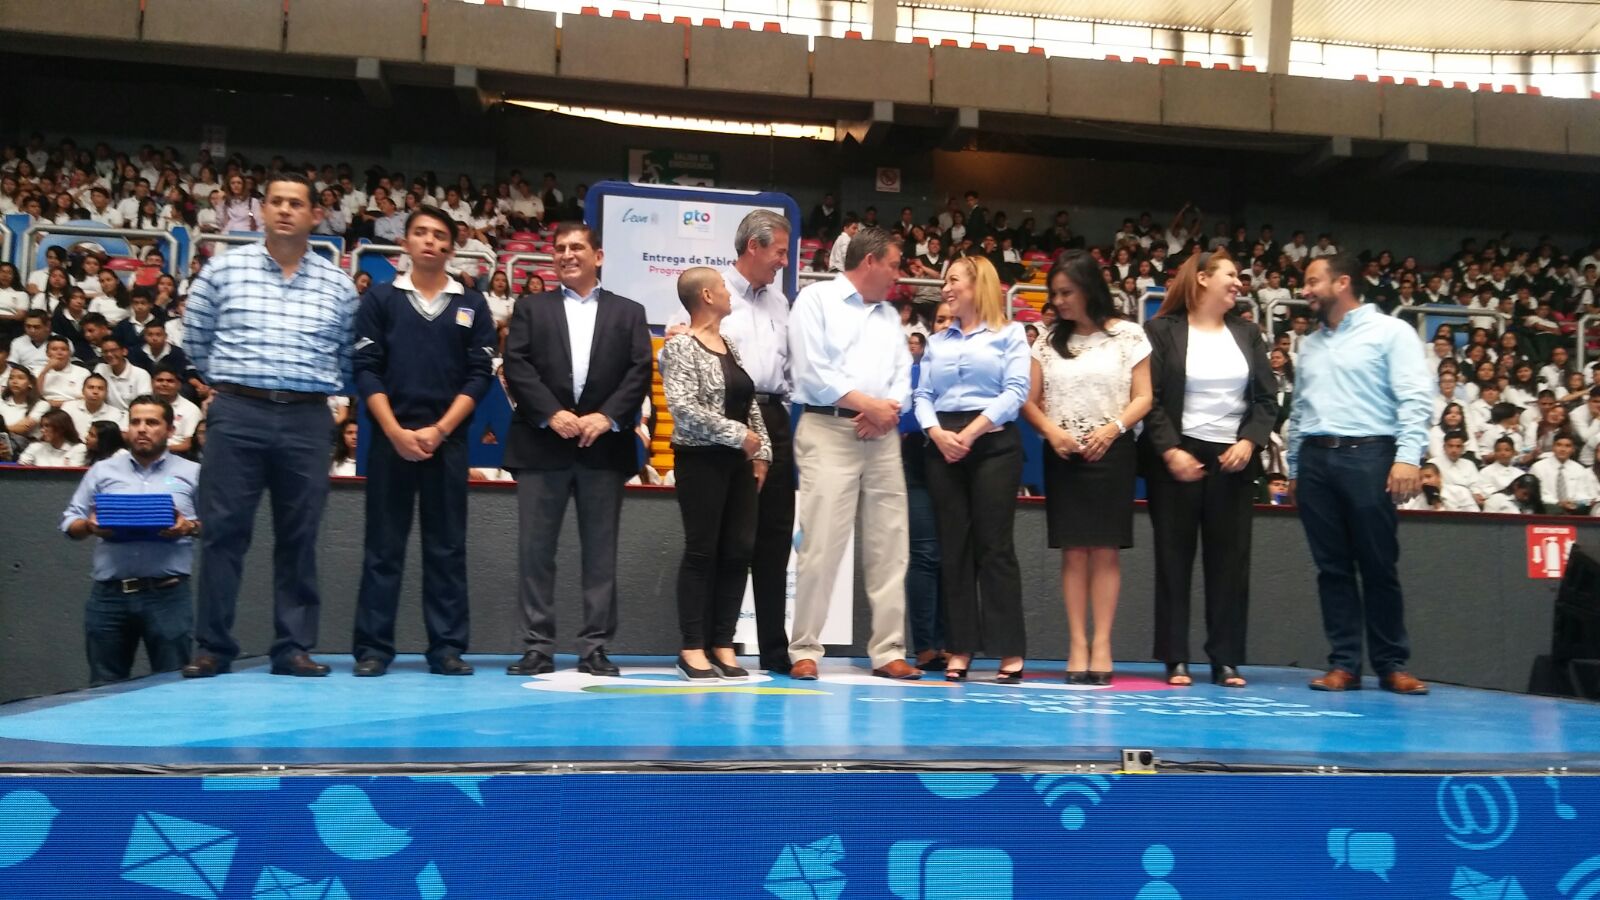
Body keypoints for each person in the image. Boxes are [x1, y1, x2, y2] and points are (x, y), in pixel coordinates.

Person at [181, 173, 360, 679]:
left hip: (306, 417)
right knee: (222, 534)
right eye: (276, 202)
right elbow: (196, 342)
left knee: (300, 536)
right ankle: (213, 647)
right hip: (238, 412)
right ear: (261, 210)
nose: (285, 210)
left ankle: (293, 647)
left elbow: (346, 357)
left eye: (296, 203)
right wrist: (227, 389)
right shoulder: (222, 271)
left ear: (314, 215)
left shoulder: (339, 286)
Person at [350, 206, 496, 677]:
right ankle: (373, 649)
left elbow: (479, 377)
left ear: (451, 247)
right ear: (406, 243)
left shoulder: (472, 304)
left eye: (438, 235)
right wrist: (394, 431)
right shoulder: (380, 300)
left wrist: (440, 430)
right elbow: (366, 370)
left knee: (447, 549)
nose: (429, 241)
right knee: (382, 548)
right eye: (420, 233)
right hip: (390, 440)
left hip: (446, 442)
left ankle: (447, 648)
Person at [501, 223, 651, 678]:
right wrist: (553, 413)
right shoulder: (530, 308)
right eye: (560, 249)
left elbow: (639, 370)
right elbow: (517, 365)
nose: (567, 255)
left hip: (603, 449)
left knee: (601, 553)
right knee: (535, 553)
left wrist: (605, 418)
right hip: (542, 443)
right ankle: (537, 646)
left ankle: (595, 648)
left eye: (577, 248)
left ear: (598, 256)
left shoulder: (628, 312)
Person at [1288, 253, 1431, 695]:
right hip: (1315, 460)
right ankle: (1344, 664)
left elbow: (1414, 398)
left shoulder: (1392, 332)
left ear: (1342, 282)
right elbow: (1299, 410)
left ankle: (1391, 664)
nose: (1306, 290)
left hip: (1370, 456)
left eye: (1313, 281)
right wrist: (1294, 467)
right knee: (1331, 568)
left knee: (1378, 565)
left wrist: (1408, 457)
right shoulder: (1309, 344)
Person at [786, 226, 920, 681]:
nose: (899, 276)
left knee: (890, 544)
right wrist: (868, 405)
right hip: (828, 427)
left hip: (882, 436)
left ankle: (888, 650)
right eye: (895, 265)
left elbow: (904, 373)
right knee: (821, 544)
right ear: (870, 262)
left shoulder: (888, 317)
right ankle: (804, 647)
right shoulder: (815, 301)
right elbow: (811, 370)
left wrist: (887, 412)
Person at [1141, 249, 1278, 689]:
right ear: (1202, 279)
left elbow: (1266, 400)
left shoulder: (1249, 333)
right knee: (1173, 561)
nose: (1239, 283)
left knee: (1230, 564)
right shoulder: (1161, 331)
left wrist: (1248, 441)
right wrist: (1170, 450)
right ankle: (1175, 658)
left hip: (1233, 460)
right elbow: (1152, 399)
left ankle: (1226, 660)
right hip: (1178, 459)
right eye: (1231, 275)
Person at [1022, 250, 1152, 685]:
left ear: (1090, 288)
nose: (1058, 301)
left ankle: (1103, 645)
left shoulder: (1129, 336)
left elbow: (1144, 397)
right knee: (1074, 552)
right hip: (1064, 455)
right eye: (1054, 294)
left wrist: (1112, 429)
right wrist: (1053, 433)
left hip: (1111, 452)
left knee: (1106, 551)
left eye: (1066, 292)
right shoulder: (1045, 340)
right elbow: (1028, 400)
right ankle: (1077, 644)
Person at [911, 256, 1030, 683]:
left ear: (978, 284)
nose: (945, 288)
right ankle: (958, 647)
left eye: (953, 280)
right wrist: (937, 433)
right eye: (944, 280)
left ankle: (1008, 650)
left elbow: (1016, 391)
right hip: (943, 444)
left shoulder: (1010, 334)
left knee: (994, 547)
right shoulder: (937, 340)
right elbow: (922, 394)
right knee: (952, 548)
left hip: (993, 442)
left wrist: (973, 432)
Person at [659, 268, 772, 680]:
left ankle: (722, 643)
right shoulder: (678, 348)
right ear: (707, 295)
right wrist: (737, 434)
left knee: (738, 551)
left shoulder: (730, 344)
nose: (729, 294)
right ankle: (692, 647)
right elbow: (683, 408)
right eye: (724, 288)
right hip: (700, 459)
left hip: (739, 463)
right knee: (702, 550)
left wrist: (764, 452)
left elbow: (749, 400)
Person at [60, 395, 201, 685]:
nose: (142, 429)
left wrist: (188, 526)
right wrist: (88, 525)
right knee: (104, 686)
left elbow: (218, 525)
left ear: (170, 429)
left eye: (151, 422)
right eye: (135, 422)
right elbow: (69, 521)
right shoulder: (103, 470)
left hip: (168, 596)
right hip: (109, 597)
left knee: (173, 686)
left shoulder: (192, 472)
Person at [1530, 433, 1599, 514]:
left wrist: (1574, 502)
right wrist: (1558, 503)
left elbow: (1583, 493)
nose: (1563, 449)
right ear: (1553, 447)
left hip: (1573, 509)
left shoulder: (1579, 469)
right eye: (1559, 445)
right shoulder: (1538, 467)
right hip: (1546, 508)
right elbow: (1538, 494)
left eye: (1567, 446)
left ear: (1573, 449)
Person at [62, 371, 126, 438]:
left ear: (106, 393)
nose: (95, 392)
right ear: (82, 390)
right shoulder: (68, 408)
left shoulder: (116, 414)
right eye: (91, 387)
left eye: (100, 388)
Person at [17, 408, 87, 466]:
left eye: (47, 426)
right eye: (42, 426)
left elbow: (72, 475)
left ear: (61, 428)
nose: (42, 430)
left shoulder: (79, 448)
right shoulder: (35, 447)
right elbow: (21, 467)